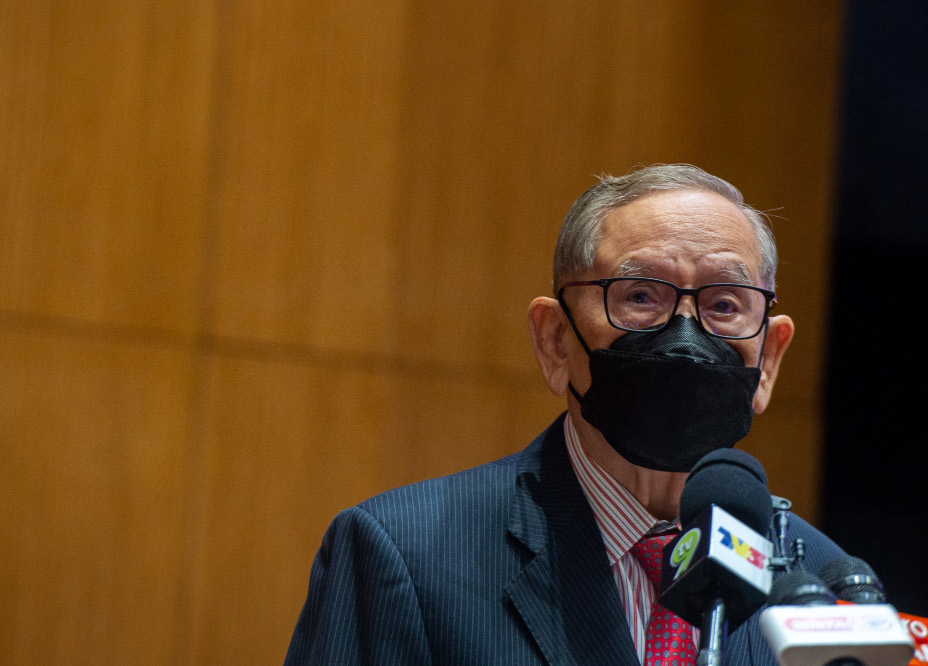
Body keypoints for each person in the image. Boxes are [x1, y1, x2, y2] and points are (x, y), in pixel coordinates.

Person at [285, 164, 846, 665]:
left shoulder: (826, 583)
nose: (684, 333)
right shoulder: (404, 555)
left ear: (768, 359)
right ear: (556, 340)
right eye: (641, 297)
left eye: (724, 304)